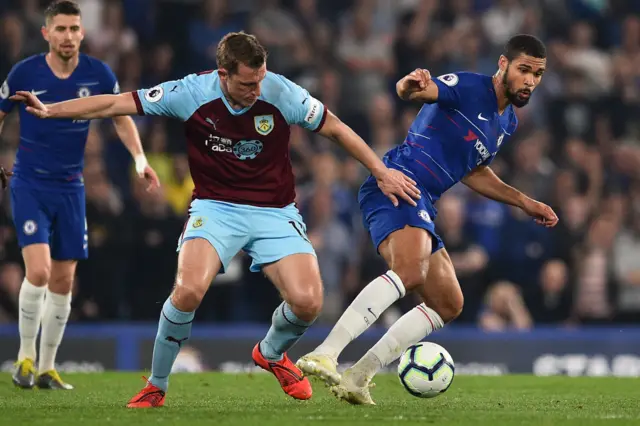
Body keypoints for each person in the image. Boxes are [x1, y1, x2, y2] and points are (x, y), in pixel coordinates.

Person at [11, 31, 420, 407]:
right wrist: (51, 111)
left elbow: (334, 128)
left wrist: (381, 172)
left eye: (260, 79)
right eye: (247, 83)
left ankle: (271, 353)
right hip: (215, 208)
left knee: (308, 302)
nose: (256, 89)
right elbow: (115, 103)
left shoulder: (280, 91)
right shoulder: (191, 92)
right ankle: (157, 383)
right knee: (188, 290)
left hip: (274, 211)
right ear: (222, 74)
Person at [296, 34, 559, 405]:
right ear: (503, 64)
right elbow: (417, 92)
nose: (531, 80)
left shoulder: (507, 123)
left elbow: (474, 170)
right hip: (396, 182)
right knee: (410, 271)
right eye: (524, 70)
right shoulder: (469, 86)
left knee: (449, 302)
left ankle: (359, 376)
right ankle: (325, 352)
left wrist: (523, 201)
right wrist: (408, 85)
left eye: (538, 74)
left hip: (423, 201)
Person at [0, 0, 159, 390]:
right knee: (37, 270)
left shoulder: (99, 73)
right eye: (61, 29)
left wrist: (139, 159)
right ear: (46, 33)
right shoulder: (26, 71)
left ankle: (48, 368)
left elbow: (121, 115)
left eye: (74, 29)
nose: (68, 36)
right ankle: (24, 358)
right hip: (30, 183)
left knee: (63, 280)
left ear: (82, 33)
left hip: (72, 187)